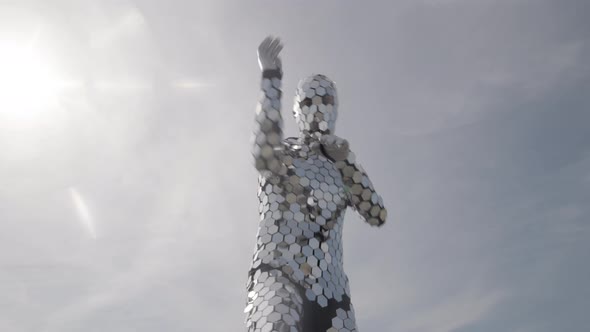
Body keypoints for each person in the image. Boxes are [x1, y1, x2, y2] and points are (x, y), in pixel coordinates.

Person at [245, 36, 387, 332]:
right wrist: (271, 77)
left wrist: (346, 162)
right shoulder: (282, 155)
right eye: (308, 101)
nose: (318, 108)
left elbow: (376, 214)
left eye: (326, 100)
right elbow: (262, 152)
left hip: (332, 291)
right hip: (279, 277)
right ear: (296, 111)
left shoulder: (342, 164)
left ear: (336, 108)